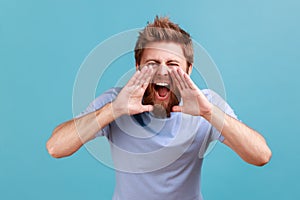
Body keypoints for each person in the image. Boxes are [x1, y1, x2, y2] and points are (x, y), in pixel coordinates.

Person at [46, 16, 272, 200]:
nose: (162, 72)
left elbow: (261, 155)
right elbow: (56, 147)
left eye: (173, 64)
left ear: (189, 69)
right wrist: (113, 110)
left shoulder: (206, 104)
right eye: (152, 63)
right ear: (138, 66)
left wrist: (208, 112)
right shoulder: (116, 101)